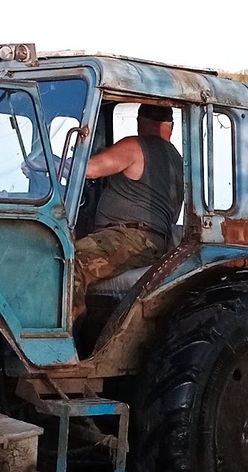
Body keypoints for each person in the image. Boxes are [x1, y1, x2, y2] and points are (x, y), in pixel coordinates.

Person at [70, 103, 184, 317]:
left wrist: (49, 164)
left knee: (65, 266)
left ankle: (65, 340)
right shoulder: (178, 161)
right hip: (153, 241)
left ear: (139, 121)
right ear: (171, 125)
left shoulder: (135, 146)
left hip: (129, 238)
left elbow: (90, 169)